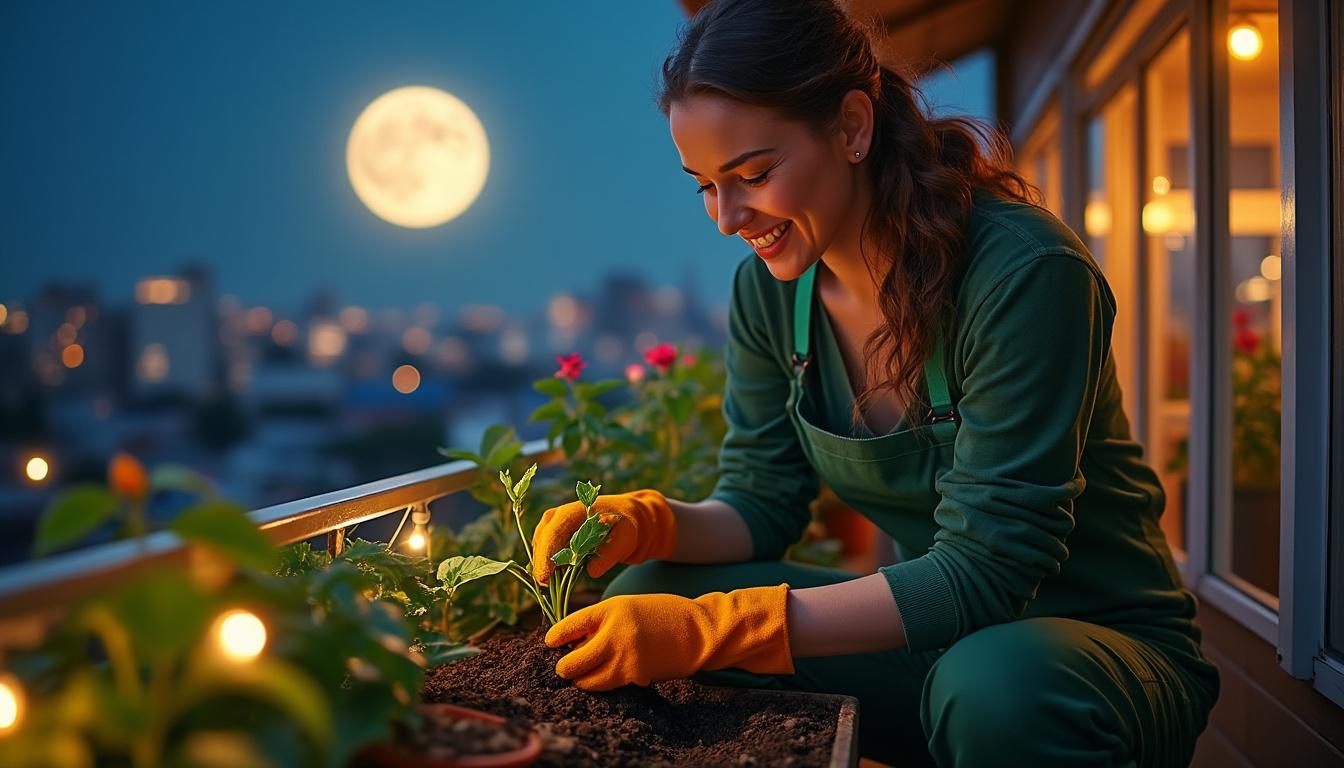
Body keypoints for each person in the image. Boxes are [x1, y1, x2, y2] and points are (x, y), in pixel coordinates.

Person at [529, 1, 1220, 765]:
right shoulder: (770, 292)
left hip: (1084, 662)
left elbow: (987, 569)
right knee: (649, 588)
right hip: (932, 640)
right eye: (704, 186)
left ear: (853, 127)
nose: (728, 218)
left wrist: (719, 629)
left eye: (754, 173)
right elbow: (759, 504)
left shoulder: (1023, 275)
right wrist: (647, 523)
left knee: (989, 686)